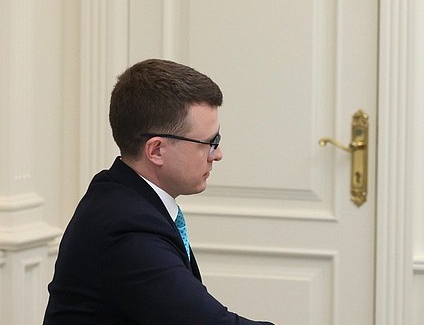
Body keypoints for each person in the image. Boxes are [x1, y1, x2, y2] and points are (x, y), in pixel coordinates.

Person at [44, 59, 274, 324]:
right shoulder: (126, 228)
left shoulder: (122, 195)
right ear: (156, 150)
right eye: (210, 142)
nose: (218, 154)